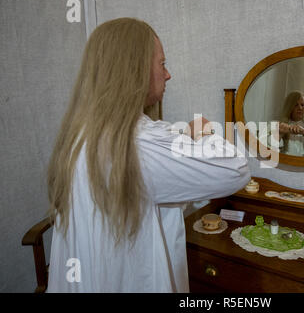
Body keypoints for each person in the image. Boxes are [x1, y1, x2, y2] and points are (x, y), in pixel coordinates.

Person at [46, 18, 250, 292]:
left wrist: (183, 135)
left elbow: (159, 150)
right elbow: (235, 169)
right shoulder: (139, 147)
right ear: (136, 70)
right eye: (162, 64)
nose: (168, 75)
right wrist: (204, 133)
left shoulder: (80, 135)